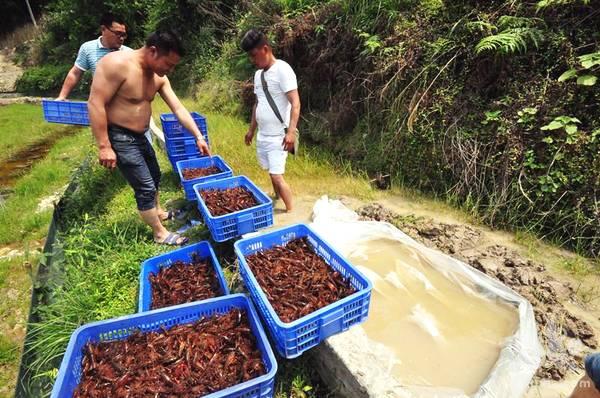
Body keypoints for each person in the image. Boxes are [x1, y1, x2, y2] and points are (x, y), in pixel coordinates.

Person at [87, 30, 210, 246]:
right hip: (119, 135)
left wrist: (198, 136)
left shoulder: (159, 78)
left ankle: (159, 212)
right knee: (144, 186)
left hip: (140, 134)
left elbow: (178, 108)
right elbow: (95, 103)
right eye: (168, 64)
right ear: (153, 51)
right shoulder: (116, 64)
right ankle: (159, 233)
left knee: (154, 174)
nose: (169, 70)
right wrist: (104, 145)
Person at [241, 29, 300, 213]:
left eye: (254, 55)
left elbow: (296, 103)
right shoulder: (259, 75)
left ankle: (291, 212)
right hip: (263, 135)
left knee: (276, 176)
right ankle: (276, 199)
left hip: (278, 137)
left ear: (265, 49)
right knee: (271, 173)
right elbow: (257, 104)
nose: (252, 60)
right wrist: (251, 130)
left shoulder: (283, 69)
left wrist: (291, 132)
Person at [57, 12, 130, 100]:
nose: (121, 38)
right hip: (97, 104)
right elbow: (75, 73)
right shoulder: (88, 48)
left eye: (123, 35)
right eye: (117, 33)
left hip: (122, 106)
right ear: (103, 29)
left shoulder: (129, 53)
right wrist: (62, 97)